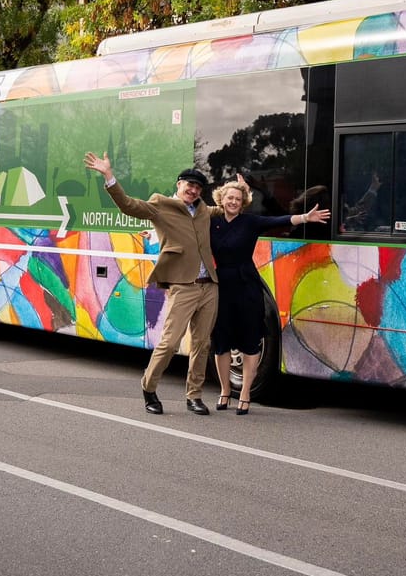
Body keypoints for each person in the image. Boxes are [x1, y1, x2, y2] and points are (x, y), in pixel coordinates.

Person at [83, 151, 219, 416]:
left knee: (202, 344)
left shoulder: (204, 211)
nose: (193, 190)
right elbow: (129, 205)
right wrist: (109, 176)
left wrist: (243, 192)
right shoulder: (161, 205)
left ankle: (194, 395)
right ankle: (149, 386)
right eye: (189, 185)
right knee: (170, 343)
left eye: (198, 187)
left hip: (209, 285)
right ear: (179, 185)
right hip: (184, 284)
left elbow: (229, 209)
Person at [211, 180, 330, 415]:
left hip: (247, 286)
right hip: (221, 286)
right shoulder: (211, 222)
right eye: (229, 198)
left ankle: (245, 393)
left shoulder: (251, 222)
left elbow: (282, 220)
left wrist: (306, 217)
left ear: (243, 202)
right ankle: (225, 391)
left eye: (237, 198)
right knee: (221, 342)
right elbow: (184, 228)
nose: (233, 202)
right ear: (221, 200)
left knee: (249, 341)